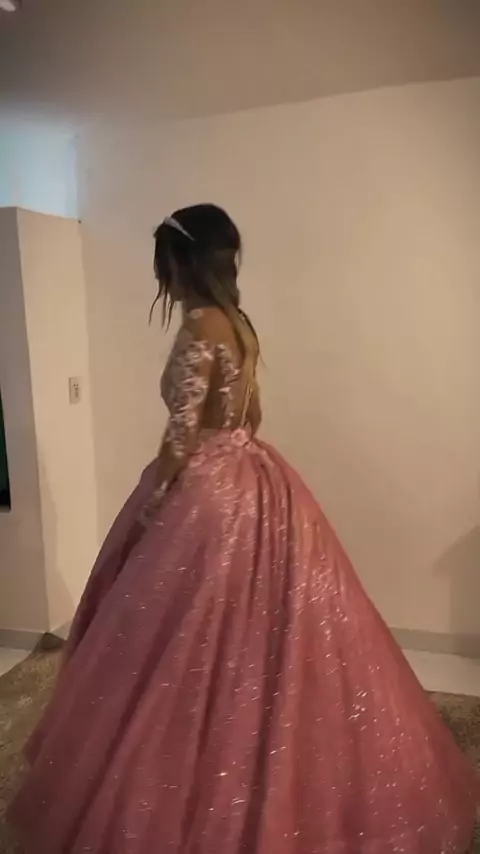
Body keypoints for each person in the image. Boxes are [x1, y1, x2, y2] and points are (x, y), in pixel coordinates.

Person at [10, 204, 477, 853]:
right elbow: (249, 415)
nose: (161, 277)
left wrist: (151, 508)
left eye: (162, 263)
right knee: (263, 635)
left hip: (204, 490)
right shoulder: (239, 323)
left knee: (173, 639)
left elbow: (181, 433)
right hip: (254, 479)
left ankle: (185, 776)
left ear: (180, 263)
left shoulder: (198, 325)